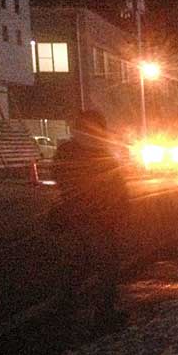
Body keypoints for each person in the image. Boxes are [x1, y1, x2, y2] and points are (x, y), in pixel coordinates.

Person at [51, 109, 130, 330]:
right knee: (107, 265)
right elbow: (113, 187)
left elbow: (61, 178)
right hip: (95, 219)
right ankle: (103, 315)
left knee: (78, 262)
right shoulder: (95, 153)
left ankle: (63, 305)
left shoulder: (69, 151)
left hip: (79, 217)